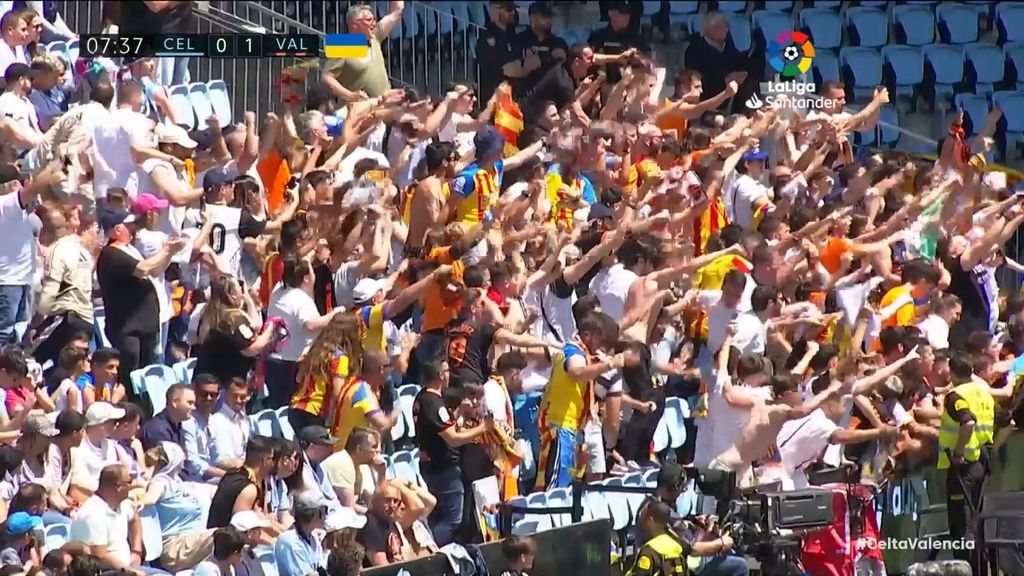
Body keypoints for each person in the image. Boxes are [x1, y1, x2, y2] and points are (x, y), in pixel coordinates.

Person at [95, 206, 185, 379]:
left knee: (149, 375)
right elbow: (143, 268)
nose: (133, 228)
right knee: (132, 374)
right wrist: (166, 250)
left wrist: (170, 253)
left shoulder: (130, 249)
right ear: (117, 229)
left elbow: (155, 270)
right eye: (128, 225)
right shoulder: (111, 254)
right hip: (128, 328)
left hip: (146, 326)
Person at [412, 360, 491, 547]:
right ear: (441, 375)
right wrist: (483, 428)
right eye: (447, 371)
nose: (449, 375)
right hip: (443, 469)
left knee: (439, 515)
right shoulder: (434, 403)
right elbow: (452, 438)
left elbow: (443, 428)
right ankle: (427, 547)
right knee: (453, 520)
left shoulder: (421, 397)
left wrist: (459, 412)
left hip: (431, 465)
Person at [632, 462, 747, 576]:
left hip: (662, 557)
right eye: (682, 489)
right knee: (741, 565)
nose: (681, 493)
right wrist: (721, 543)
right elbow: (693, 549)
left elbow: (680, 537)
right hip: (678, 563)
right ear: (675, 486)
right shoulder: (665, 512)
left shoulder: (648, 504)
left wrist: (702, 529)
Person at [939, 353, 998, 570]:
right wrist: (990, 448)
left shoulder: (955, 395)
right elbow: (1007, 421)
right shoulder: (984, 394)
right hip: (981, 466)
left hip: (961, 469)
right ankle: (981, 570)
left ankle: (965, 570)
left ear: (952, 372)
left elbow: (968, 422)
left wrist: (958, 452)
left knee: (961, 526)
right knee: (978, 525)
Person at [266, 256, 345, 409]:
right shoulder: (301, 299)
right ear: (307, 278)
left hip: (275, 360)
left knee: (277, 409)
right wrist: (334, 315)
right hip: (293, 363)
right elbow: (310, 324)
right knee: (291, 408)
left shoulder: (278, 290)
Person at [136, 443, 215, 573]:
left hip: (192, 543)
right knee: (223, 537)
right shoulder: (161, 481)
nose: (183, 464)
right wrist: (141, 501)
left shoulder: (181, 484)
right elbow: (151, 497)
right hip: (174, 547)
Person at [193, 274, 275, 387]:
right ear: (231, 294)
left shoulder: (210, 313)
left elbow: (254, 325)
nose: (241, 291)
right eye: (238, 288)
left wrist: (247, 298)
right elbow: (252, 348)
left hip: (205, 377)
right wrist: (271, 328)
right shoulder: (232, 318)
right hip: (223, 382)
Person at [68, 464, 147, 576]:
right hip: (105, 571)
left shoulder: (123, 504)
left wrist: (136, 551)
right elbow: (100, 557)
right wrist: (130, 570)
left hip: (127, 569)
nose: (132, 486)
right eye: (129, 482)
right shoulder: (92, 513)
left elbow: (134, 519)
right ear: (118, 487)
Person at [321, 2, 404, 101]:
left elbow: (397, 12)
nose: (373, 23)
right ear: (355, 24)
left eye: (374, 19)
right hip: (359, 111)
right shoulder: (342, 44)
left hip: (384, 108)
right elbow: (326, 78)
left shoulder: (374, 36)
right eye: (369, 20)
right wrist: (349, 95)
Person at [628, 500, 733, 576]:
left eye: (642, 516)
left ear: (651, 520)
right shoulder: (677, 547)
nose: (640, 520)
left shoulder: (649, 551)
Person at [328, 351, 397, 449]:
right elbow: (382, 424)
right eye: (389, 366)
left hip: (348, 450)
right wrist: (394, 414)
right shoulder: (362, 392)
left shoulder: (355, 384)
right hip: (347, 453)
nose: (391, 369)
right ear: (381, 369)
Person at [207, 436, 275, 529]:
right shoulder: (247, 488)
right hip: (226, 540)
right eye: (272, 459)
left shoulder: (261, 482)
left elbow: (265, 520)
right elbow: (241, 531)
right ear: (265, 461)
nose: (273, 463)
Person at [321, 427, 386, 514]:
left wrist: (381, 474)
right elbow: (348, 507)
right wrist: (373, 514)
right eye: (374, 447)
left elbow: (375, 503)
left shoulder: (362, 466)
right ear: (359, 449)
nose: (378, 450)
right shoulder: (342, 463)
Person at [182, 374, 227, 482]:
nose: (208, 398)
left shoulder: (214, 420)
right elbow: (193, 463)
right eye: (203, 394)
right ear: (195, 394)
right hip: (195, 478)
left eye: (213, 394)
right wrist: (226, 475)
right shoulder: (188, 422)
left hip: (213, 475)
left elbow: (218, 456)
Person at [274, 492, 327, 576]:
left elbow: (322, 570)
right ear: (312, 514)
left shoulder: (313, 538)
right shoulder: (289, 541)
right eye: (324, 510)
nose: (326, 515)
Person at [208, 378, 252, 469]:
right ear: (226, 395)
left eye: (243, 397)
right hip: (226, 473)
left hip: (243, 469)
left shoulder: (243, 419)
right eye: (235, 396)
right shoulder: (218, 420)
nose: (239, 400)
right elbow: (223, 461)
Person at [139, 383, 196, 452]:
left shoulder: (177, 426)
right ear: (175, 402)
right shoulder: (157, 430)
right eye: (190, 403)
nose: (193, 408)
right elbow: (162, 461)